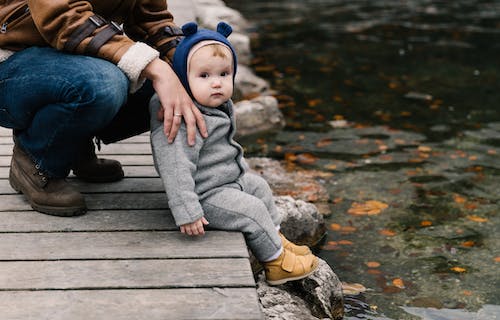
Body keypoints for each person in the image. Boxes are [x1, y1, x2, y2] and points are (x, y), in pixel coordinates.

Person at [0, 0, 207, 216]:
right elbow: (63, 18)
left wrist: (189, 62)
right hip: (12, 60)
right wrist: (155, 68)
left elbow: (150, 19)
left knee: (193, 79)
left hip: (73, 56)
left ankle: (72, 146)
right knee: (104, 85)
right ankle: (37, 159)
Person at [149, 21, 319, 285]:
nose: (216, 83)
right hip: (204, 195)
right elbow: (174, 166)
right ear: (182, 79)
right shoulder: (180, 117)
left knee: (260, 187)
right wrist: (187, 210)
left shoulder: (218, 105)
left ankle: (278, 241)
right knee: (251, 210)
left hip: (227, 181)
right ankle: (276, 263)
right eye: (204, 76)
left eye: (224, 74)